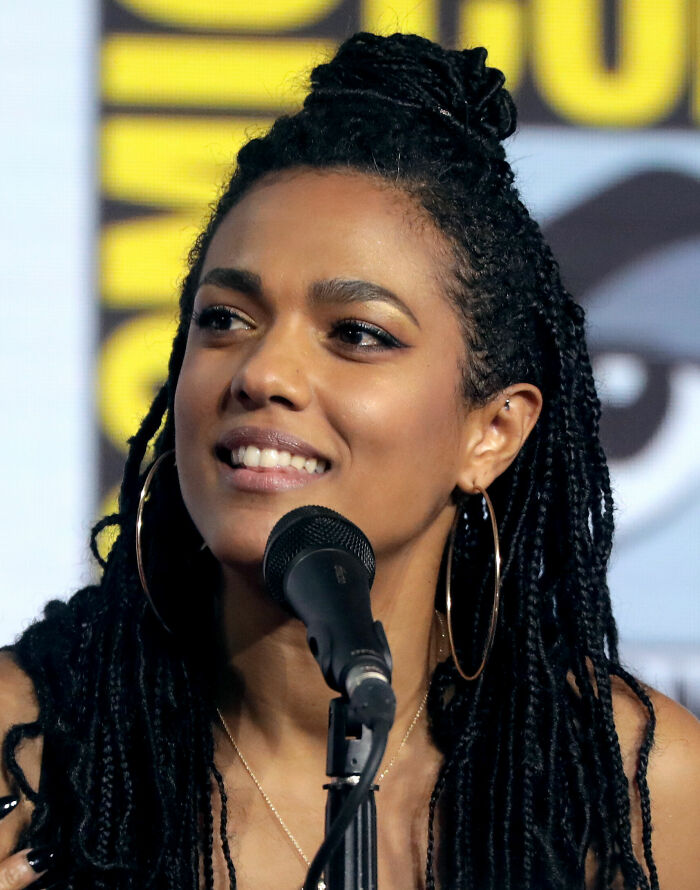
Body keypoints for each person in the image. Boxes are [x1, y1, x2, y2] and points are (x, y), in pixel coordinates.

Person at [1, 31, 699, 890]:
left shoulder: (624, 783)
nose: (262, 373)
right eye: (224, 318)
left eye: (358, 335)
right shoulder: (26, 751)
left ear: (494, 433)